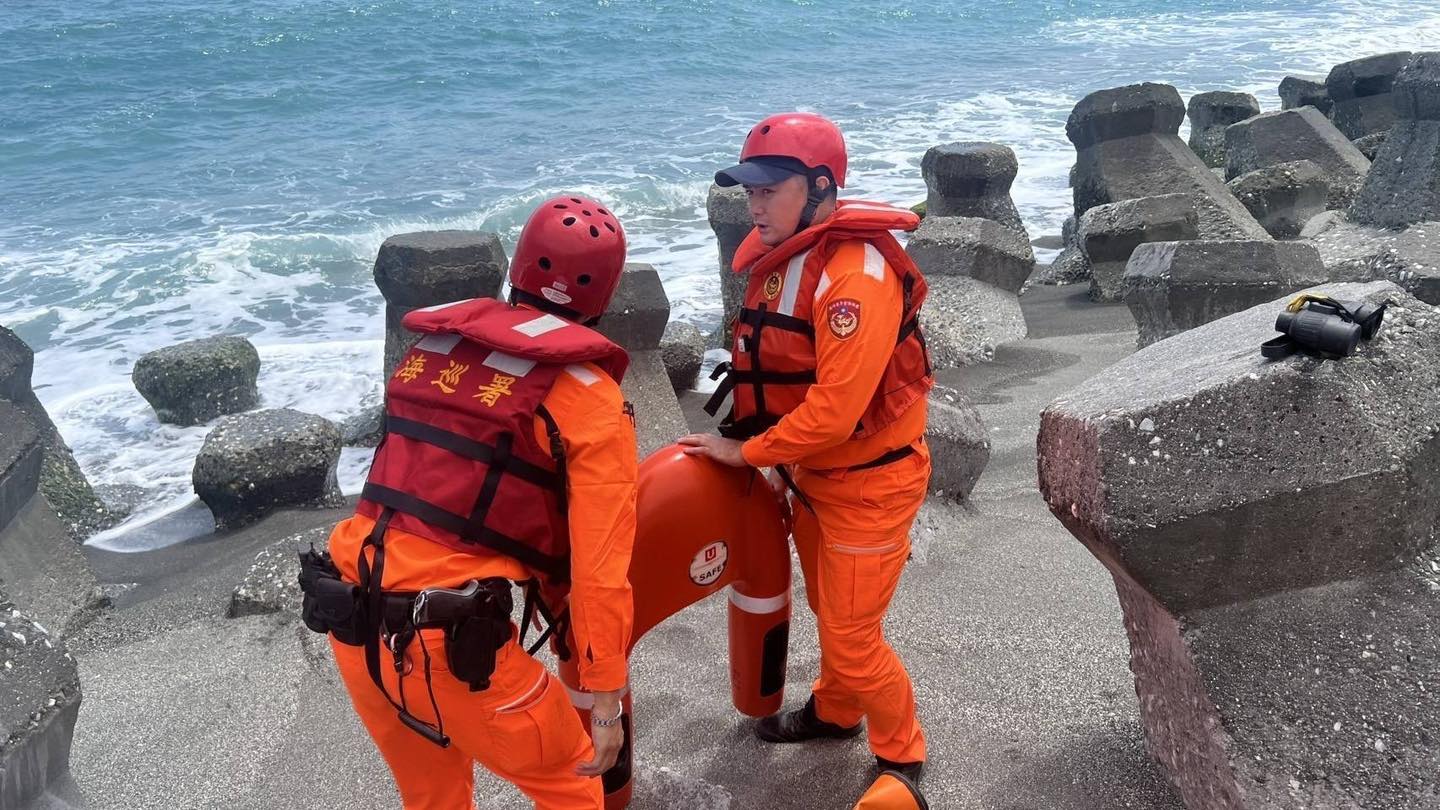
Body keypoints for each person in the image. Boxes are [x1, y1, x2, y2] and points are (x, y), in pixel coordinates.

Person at [301, 195, 637, 810]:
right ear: (605, 300)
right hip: (447, 644)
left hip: (350, 617)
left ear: (516, 270)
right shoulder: (589, 398)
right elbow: (600, 567)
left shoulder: (431, 354)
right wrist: (608, 697)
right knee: (573, 780)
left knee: (434, 797)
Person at [680, 112, 934, 795]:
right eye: (749, 190)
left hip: (869, 484)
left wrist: (748, 453)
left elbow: (834, 411)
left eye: (770, 188)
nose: (754, 204)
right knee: (832, 611)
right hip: (817, 479)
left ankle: (902, 754)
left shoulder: (856, 277)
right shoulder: (800, 254)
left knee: (854, 634)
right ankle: (836, 709)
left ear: (820, 188)